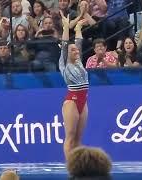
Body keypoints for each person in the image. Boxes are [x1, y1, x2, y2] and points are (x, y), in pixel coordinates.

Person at [59, 11, 88, 160]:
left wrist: (78, 29)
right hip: (72, 101)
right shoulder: (64, 63)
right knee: (70, 137)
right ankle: (71, 168)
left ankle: (78, 167)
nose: (76, 50)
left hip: (83, 101)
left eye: (76, 50)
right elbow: (65, 45)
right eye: (72, 50)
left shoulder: (78, 61)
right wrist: (65, 28)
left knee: (78, 139)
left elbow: (78, 43)